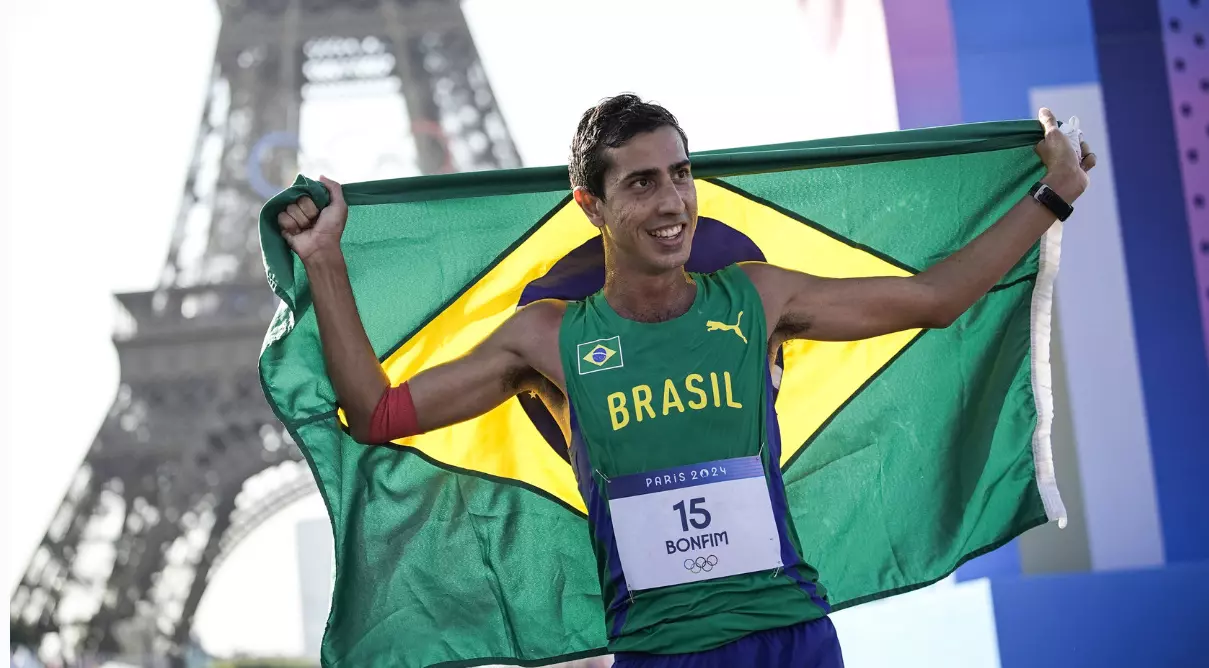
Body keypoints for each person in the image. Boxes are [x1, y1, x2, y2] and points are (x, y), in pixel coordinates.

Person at [274, 94, 1095, 667]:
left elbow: (937, 298)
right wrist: (326, 264)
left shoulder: (757, 298)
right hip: (660, 653)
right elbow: (376, 412)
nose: (672, 201)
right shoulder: (549, 340)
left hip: (789, 636)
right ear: (589, 205)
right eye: (640, 182)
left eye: (680, 173)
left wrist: (1053, 194)